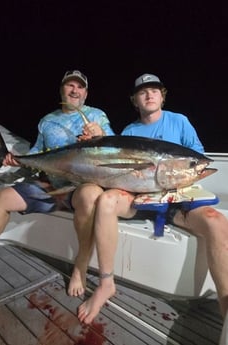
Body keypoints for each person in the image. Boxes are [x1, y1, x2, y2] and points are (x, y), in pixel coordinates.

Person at [76, 73, 228, 326]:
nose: (149, 95)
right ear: (135, 100)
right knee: (105, 202)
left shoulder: (179, 121)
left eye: (155, 90)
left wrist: (176, 182)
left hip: (175, 199)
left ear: (162, 96)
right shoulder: (129, 131)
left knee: (216, 221)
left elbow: (197, 160)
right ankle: (106, 283)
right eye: (143, 92)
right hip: (139, 198)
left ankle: (225, 309)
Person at [0, 69, 115, 294]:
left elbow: (114, 147)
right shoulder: (47, 121)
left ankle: (79, 268)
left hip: (81, 187)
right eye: (70, 85)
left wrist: (101, 134)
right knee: (2, 197)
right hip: (51, 185)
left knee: (91, 195)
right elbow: (37, 153)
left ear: (86, 93)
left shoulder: (96, 116)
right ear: (62, 89)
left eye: (80, 87)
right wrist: (17, 161)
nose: (75, 90)